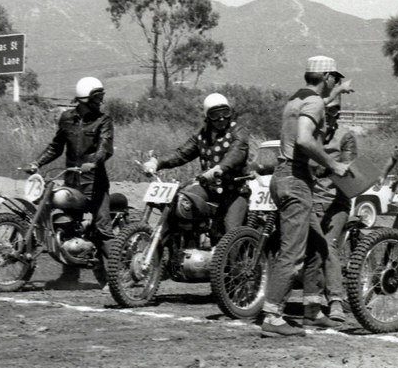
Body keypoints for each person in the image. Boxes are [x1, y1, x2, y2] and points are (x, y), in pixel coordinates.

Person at [260, 56, 352, 338]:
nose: (335, 82)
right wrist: (333, 164)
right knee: (293, 251)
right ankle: (273, 316)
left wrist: (335, 94)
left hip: (284, 178)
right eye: (334, 78)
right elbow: (304, 138)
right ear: (326, 77)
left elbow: (314, 107)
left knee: (318, 246)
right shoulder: (313, 103)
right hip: (296, 180)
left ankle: (312, 310)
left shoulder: (296, 100)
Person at [26, 76, 114, 288]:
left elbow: (105, 147)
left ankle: (116, 278)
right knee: (67, 226)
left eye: (101, 96)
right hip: (72, 182)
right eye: (97, 97)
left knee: (103, 229)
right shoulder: (67, 118)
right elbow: (56, 146)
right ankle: (69, 276)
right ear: (84, 99)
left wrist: (94, 162)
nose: (100, 101)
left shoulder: (103, 121)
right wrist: (37, 163)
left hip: (95, 184)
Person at [141, 93, 250, 238]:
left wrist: (219, 169)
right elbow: (182, 154)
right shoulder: (202, 135)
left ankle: (234, 260)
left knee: (231, 231)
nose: (221, 118)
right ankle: (171, 246)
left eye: (225, 113)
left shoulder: (238, 131)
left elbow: (237, 152)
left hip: (234, 190)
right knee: (180, 205)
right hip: (208, 188)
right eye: (215, 115)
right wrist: (157, 163)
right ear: (207, 117)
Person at [305, 96, 358, 324]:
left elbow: (348, 168)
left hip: (336, 201)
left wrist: (324, 167)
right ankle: (310, 301)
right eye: (326, 111)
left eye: (335, 112)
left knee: (327, 245)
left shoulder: (345, 136)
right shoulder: (306, 134)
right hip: (309, 199)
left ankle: (336, 299)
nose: (330, 116)